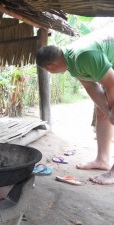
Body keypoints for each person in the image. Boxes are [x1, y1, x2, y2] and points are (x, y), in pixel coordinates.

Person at [36, 25, 114, 185]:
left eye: (47, 71)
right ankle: (102, 159)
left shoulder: (82, 56)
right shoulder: (70, 60)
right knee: (103, 112)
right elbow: (90, 86)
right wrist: (107, 109)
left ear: (50, 67)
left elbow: (112, 84)